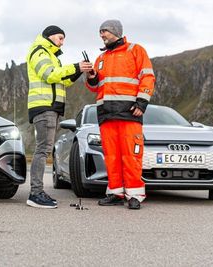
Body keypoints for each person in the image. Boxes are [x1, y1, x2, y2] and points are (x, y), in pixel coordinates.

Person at [85, 19, 155, 209]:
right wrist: (91, 77)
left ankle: (135, 195)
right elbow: (95, 87)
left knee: (131, 156)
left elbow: (147, 77)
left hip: (129, 113)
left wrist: (142, 102)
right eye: (100, 32)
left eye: (104, 31)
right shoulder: (101, 59)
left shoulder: (135, 50)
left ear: (115, 31)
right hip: (107, 115)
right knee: (112, 156)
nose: (101, 35)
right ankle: (115, 192)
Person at [26, 25, 93, 209]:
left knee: (44, 149)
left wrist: (79, 71)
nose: (62, 42)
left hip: (52, 107)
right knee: (42, 150)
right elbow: (49, 75)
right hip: (43, 106)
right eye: (60, 38)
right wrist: (75, 66)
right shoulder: (39, 52)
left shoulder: (52, 56)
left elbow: (62, 81)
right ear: (49, 36)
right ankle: (35, 193)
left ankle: (37, 191)